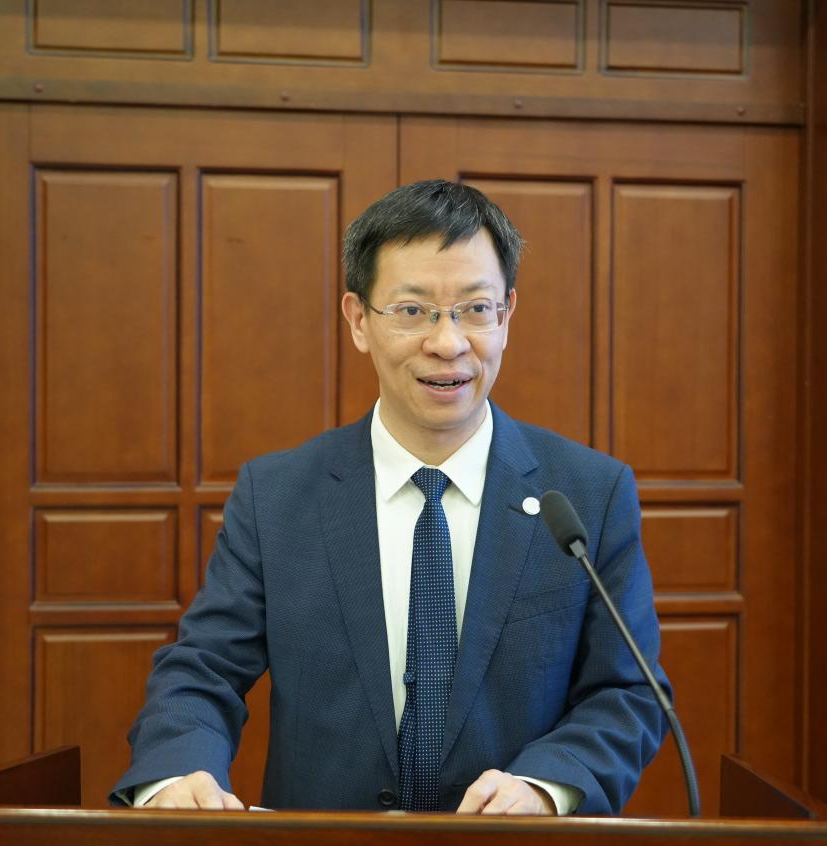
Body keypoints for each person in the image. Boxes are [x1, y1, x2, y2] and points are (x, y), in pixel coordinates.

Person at [111, 179, 670, 814]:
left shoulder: (588, 495)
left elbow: (628, 692)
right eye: (412, 311)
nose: (448, 343)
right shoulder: (278, 496)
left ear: (507, 315)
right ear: (358, 320)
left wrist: (546, 788)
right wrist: (177, 773)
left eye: (475, 308)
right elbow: (203, 669)